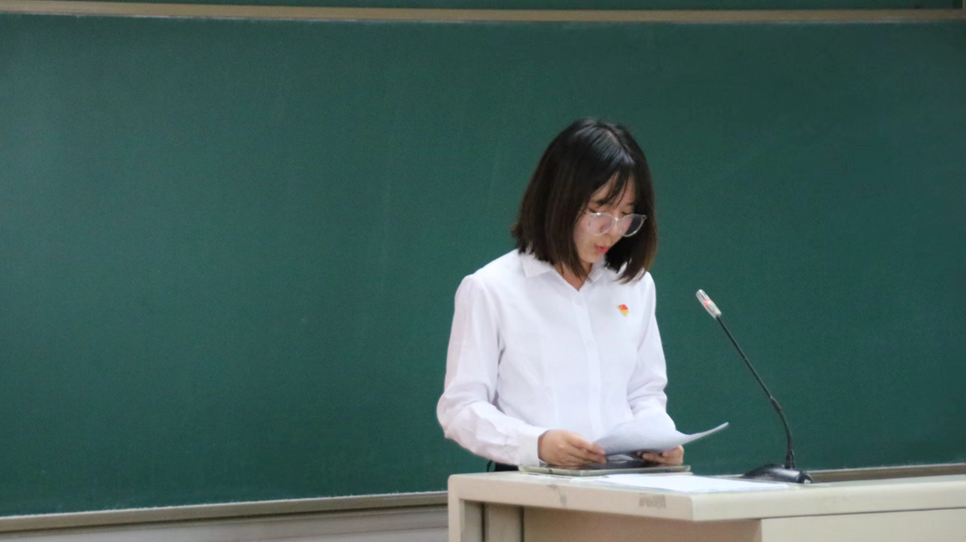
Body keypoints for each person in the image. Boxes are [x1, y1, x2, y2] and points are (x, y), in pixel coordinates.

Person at [436, 118, 684, 469]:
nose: (612, 230)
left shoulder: (635, 286)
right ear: (558, 198)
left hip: (624, 481)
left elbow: (645, 393)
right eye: (599, 210)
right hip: (532, 483)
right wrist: (537, 443)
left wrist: (659, 438)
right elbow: (460, 409)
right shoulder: (491, 289)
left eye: (626, 215)